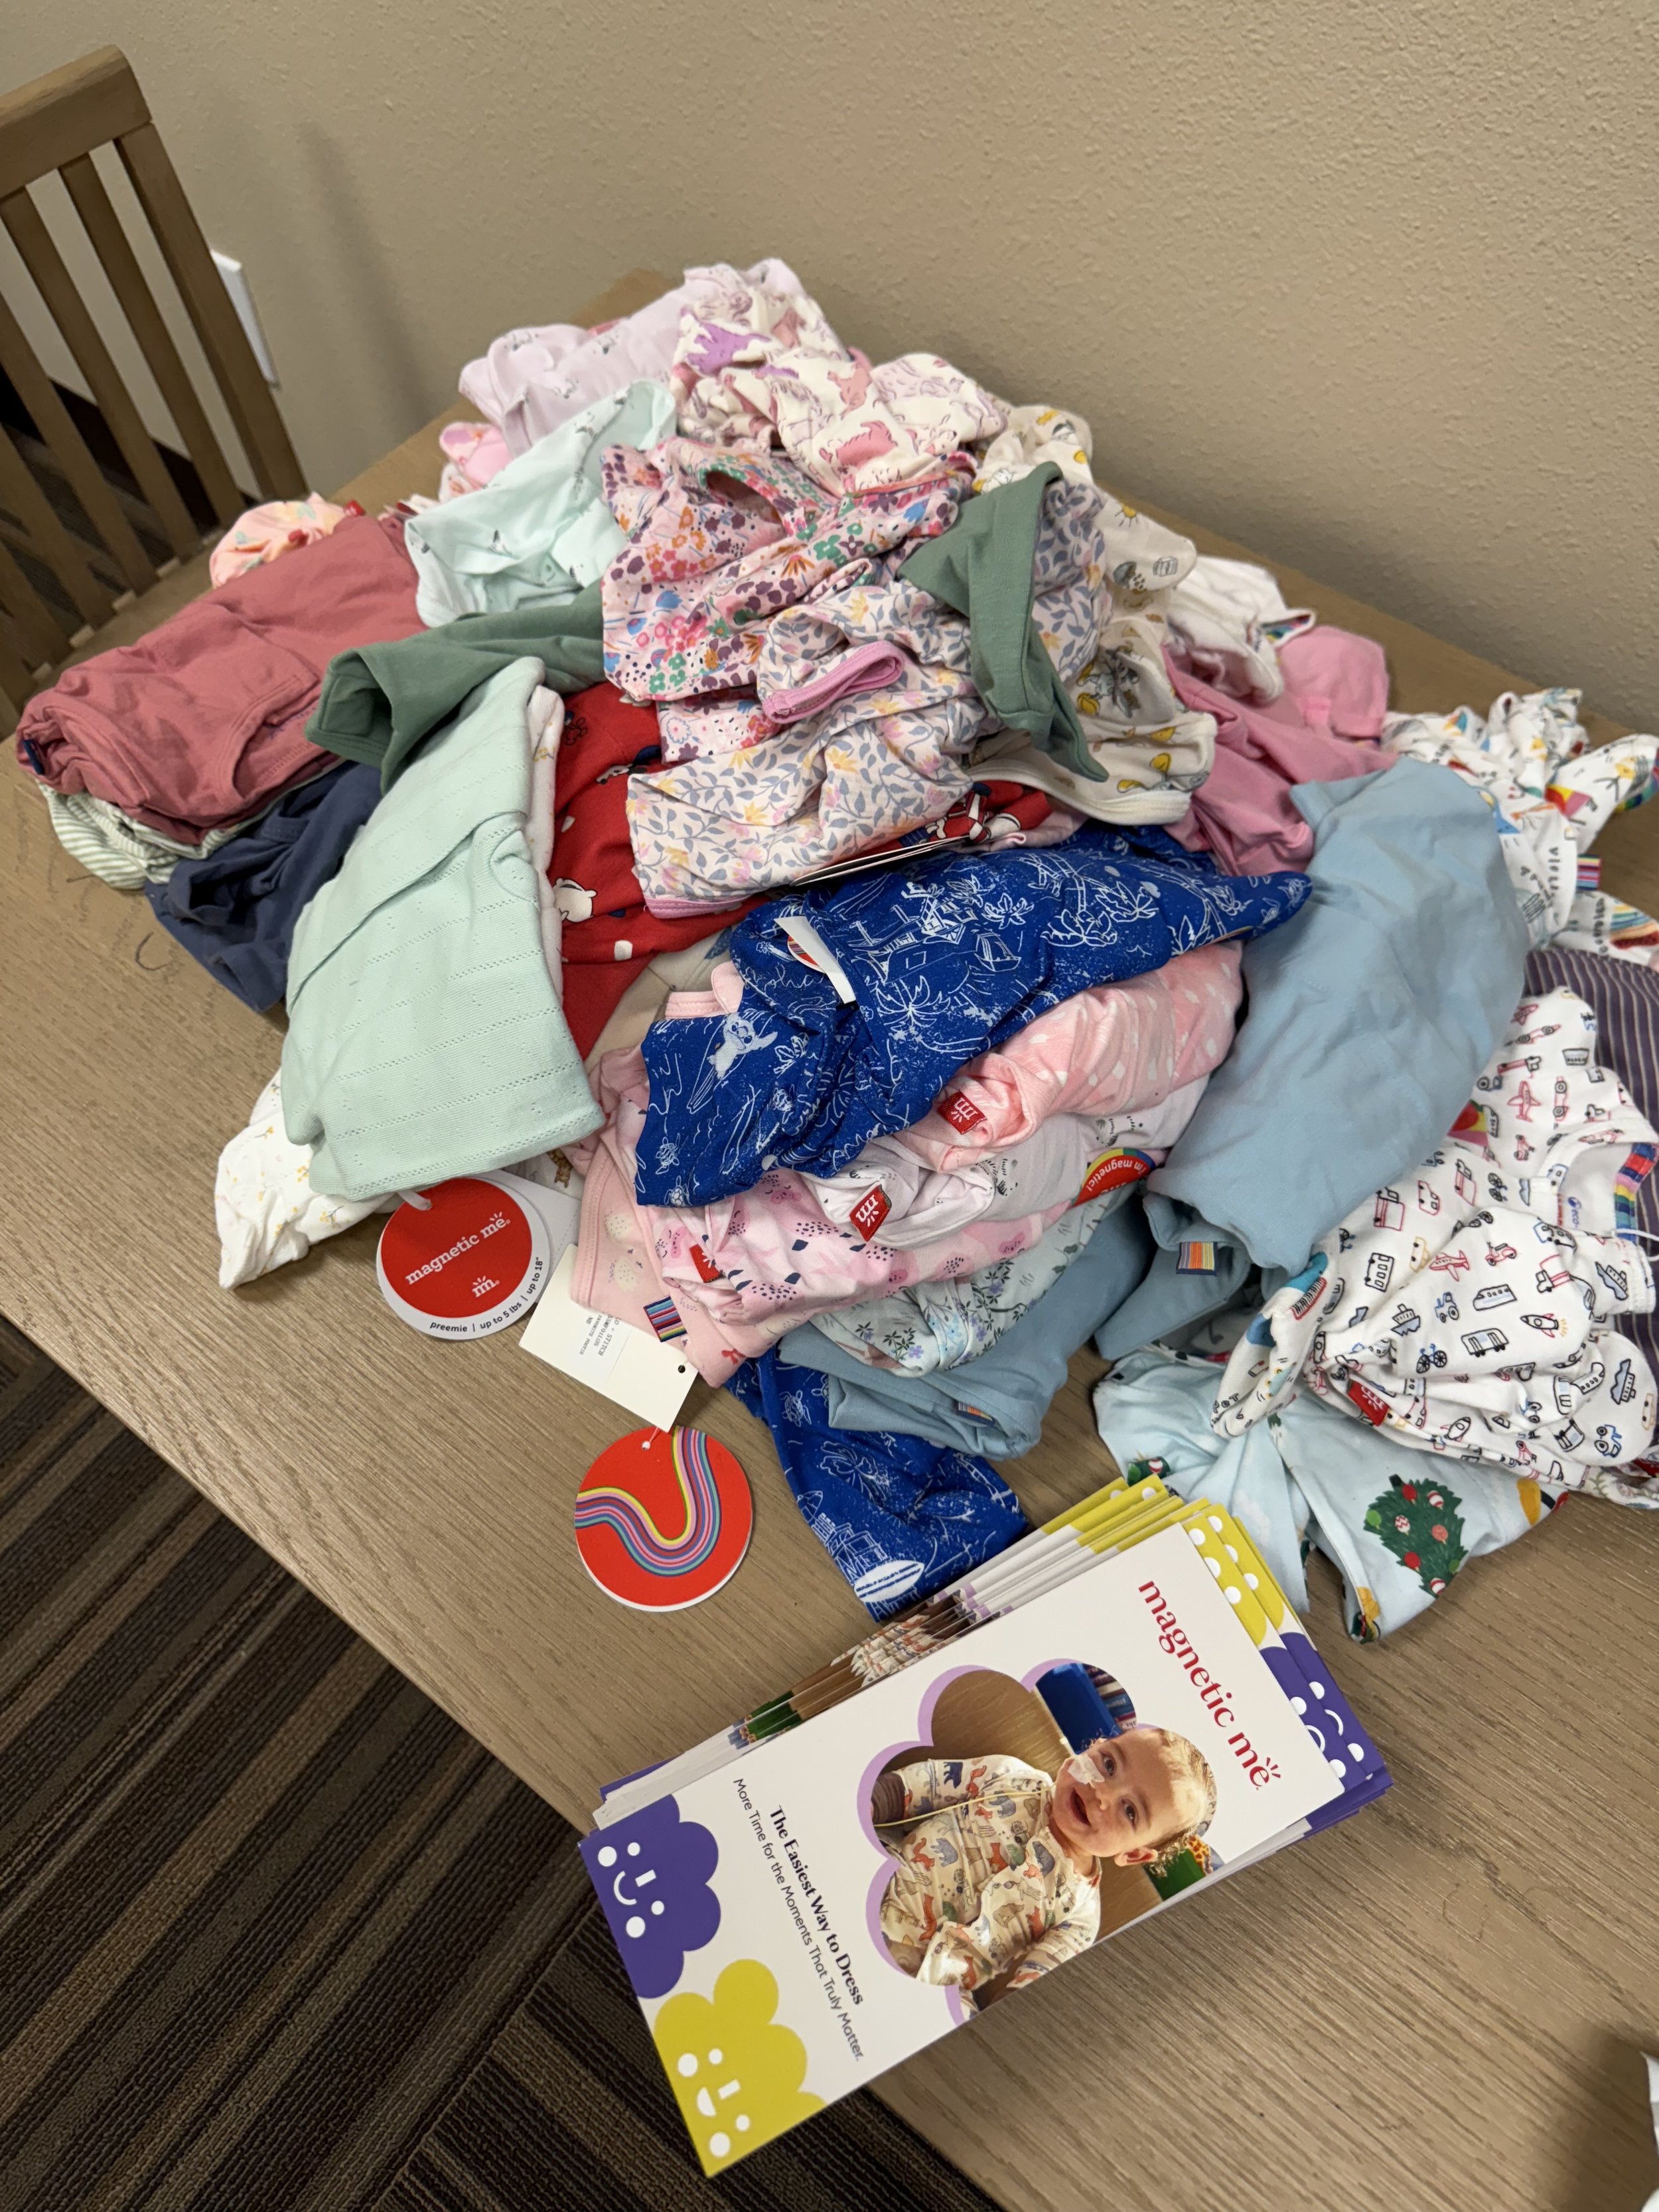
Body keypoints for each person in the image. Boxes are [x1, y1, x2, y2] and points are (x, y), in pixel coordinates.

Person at [872, 1729, 1216, 2004]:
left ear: (1135, 1855)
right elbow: (922, 1784)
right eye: (1110, 1765)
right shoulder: (1009, 1777)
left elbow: (1031, 1994)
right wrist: (872, 1803)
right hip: (880, 1889)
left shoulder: (1080, 1916)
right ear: (1094, 1745)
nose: (1103, 1793)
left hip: (932, 1986)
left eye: (1130, 1811)